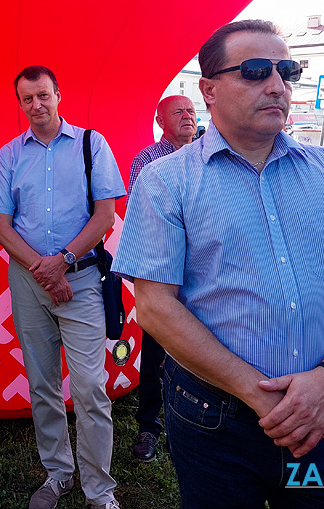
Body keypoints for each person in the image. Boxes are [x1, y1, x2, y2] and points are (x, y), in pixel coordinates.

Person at [114, 19, 324, 508]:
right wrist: (256, 392)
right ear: (209, 90)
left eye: (286, 70)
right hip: (213, 419)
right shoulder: (165, 181)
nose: (277, 85)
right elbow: (155, 307)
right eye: (254, 71)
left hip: (322, 412)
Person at [0, 66, 125, 509]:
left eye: (43, 96)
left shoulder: (91, 144)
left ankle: (100, 490)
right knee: (43, 385)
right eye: (27, 99)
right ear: (20, 104)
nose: (36, 106)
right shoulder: (10, 154)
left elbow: (104, 216)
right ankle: (58, 474)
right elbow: (2, 226)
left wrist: (62, 264)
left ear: (58, 95)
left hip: (81, 280)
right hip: (28, 283)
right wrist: (43, 271)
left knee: (89, 388)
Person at [124, 95, 196, 463]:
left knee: (198, 350)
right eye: (178, 112)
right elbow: (142, 218)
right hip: (162, 272)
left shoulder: (211, 157)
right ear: (159, 120)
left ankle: (192, 425)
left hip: (202, 272)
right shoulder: (147, 161)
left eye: (191, 111)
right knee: (154, 352)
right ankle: (149, 426)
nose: (187, 116)